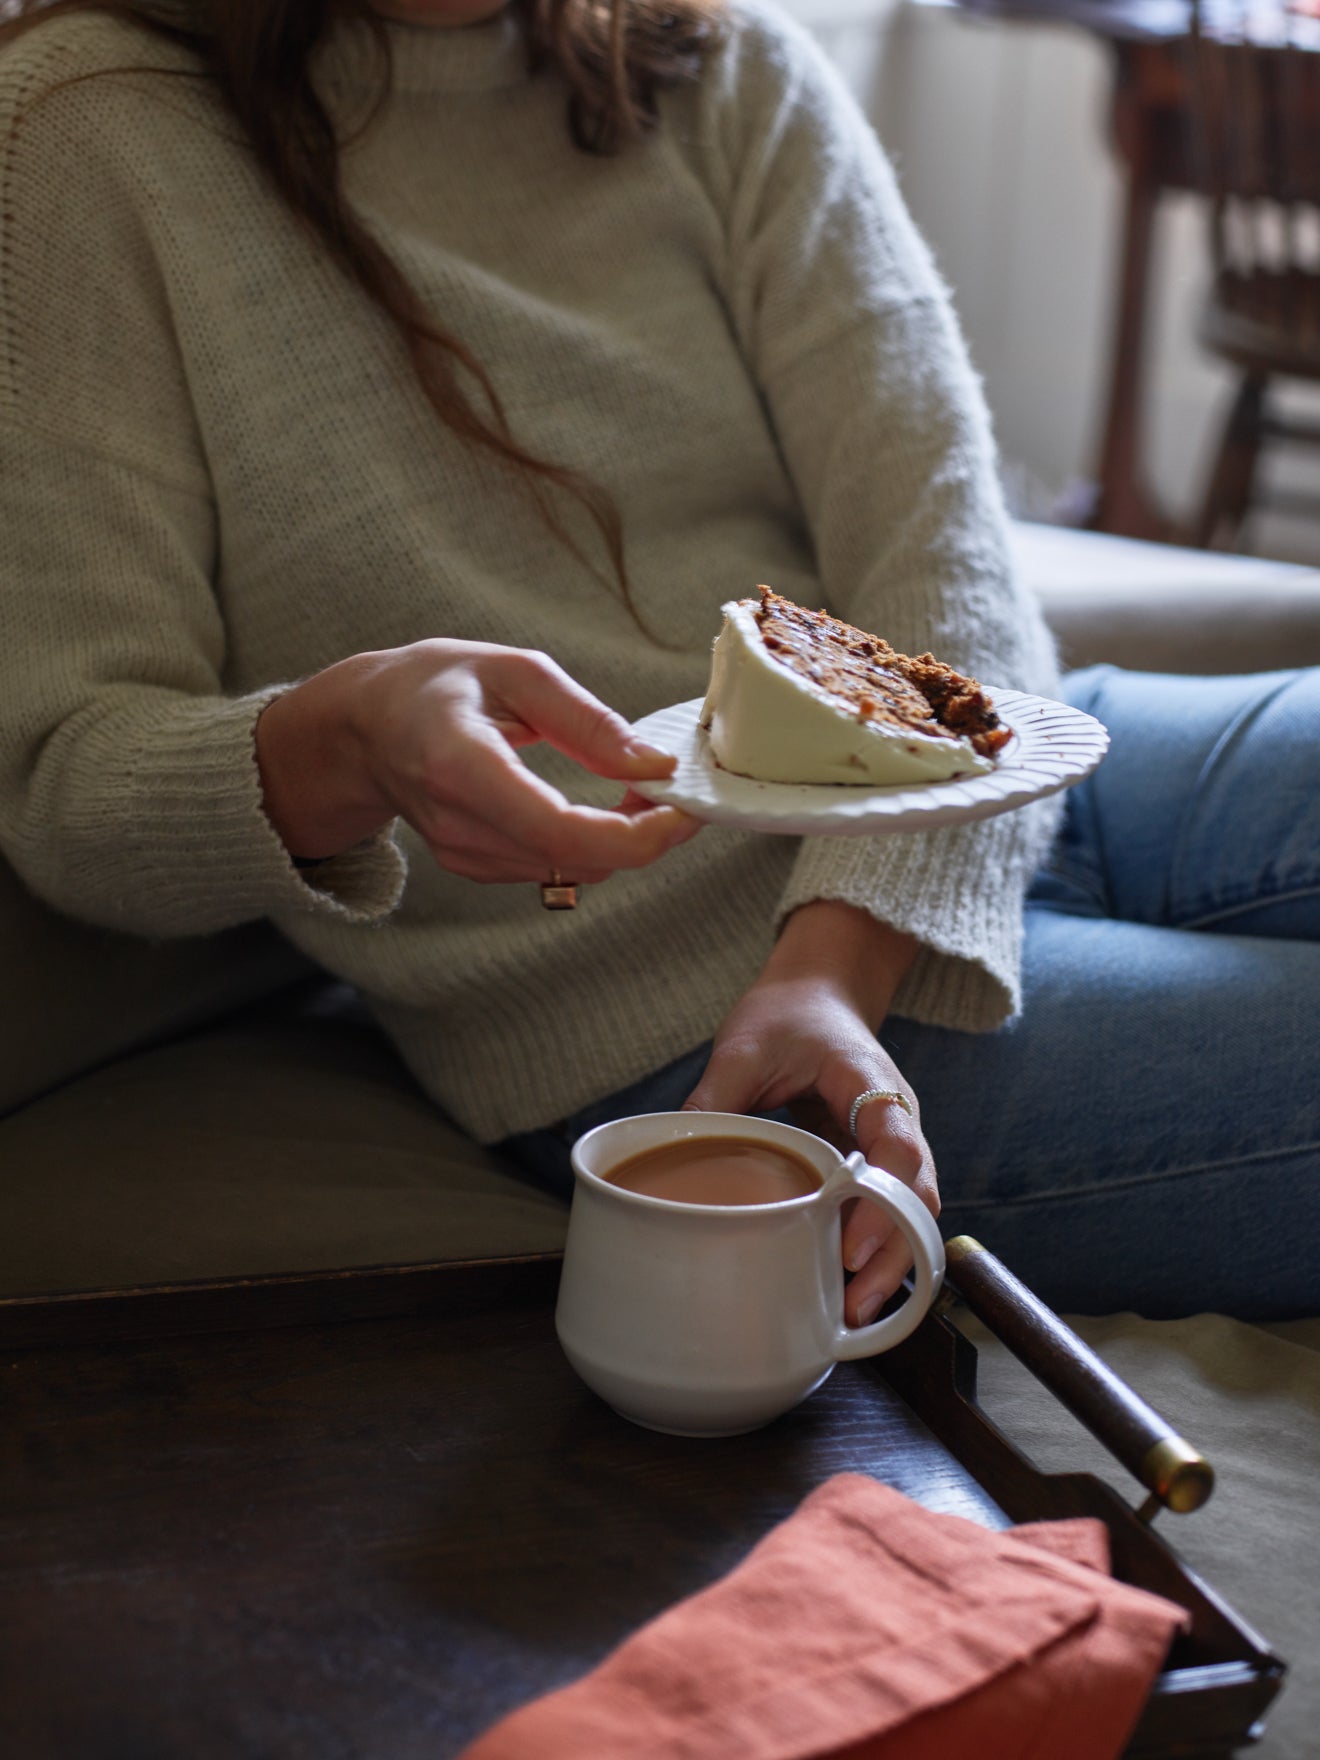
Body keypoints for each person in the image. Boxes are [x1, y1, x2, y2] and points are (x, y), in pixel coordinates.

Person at [0, 0, 1315, 1324]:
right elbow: (69, 779)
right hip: (682, 1016)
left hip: (1007, 794)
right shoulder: (92, 128)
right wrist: (345, 740)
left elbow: (944, 553)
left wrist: (841, 952)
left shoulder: (725, 65)